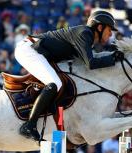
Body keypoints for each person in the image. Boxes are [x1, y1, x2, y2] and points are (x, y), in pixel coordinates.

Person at [14, 10, 124, 141]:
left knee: (60, 83)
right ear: (100, 27)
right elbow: (91, 63)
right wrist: (113, 59)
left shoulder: (87, 37)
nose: (111, 33)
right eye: (109, 29)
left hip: (39, 52)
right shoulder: (85, 33)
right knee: (55, 83)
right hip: (29, 50)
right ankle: (29, 125)